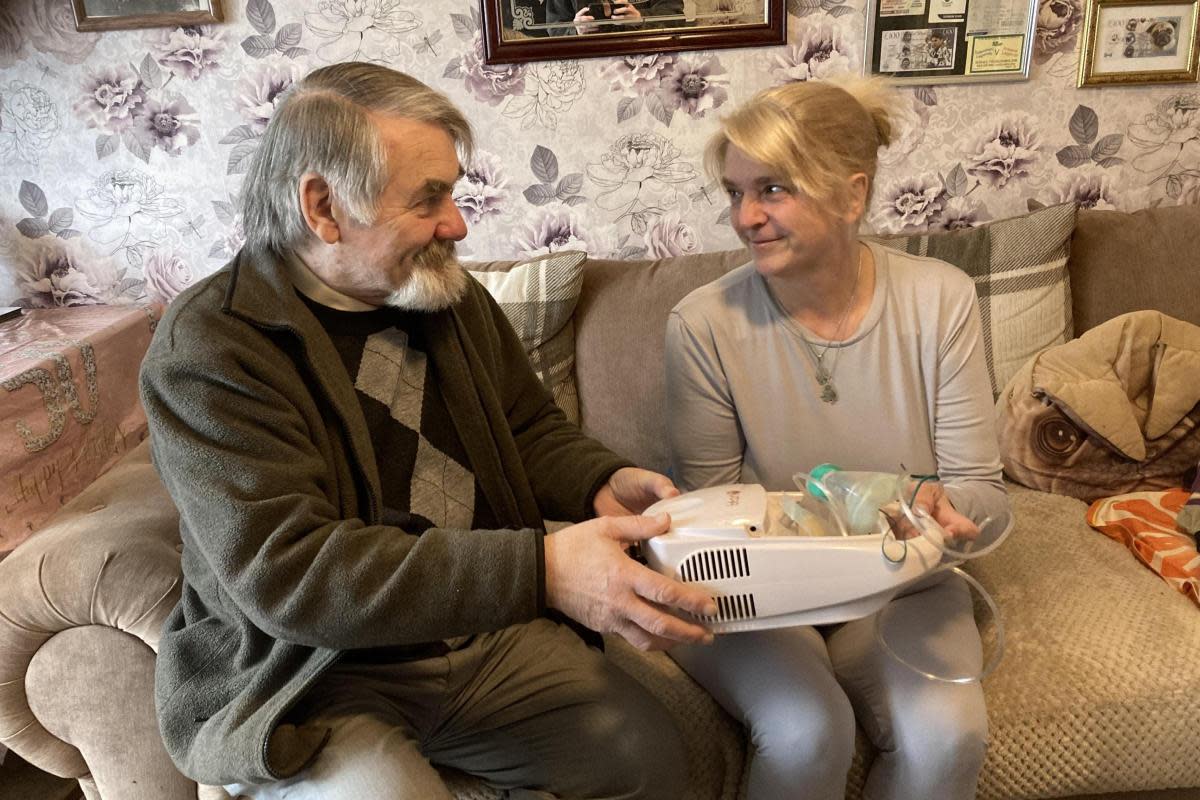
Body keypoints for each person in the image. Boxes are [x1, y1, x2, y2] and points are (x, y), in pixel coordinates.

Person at [140, 61, 718, 800]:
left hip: (476, 641)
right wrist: (541, 571)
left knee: (652, 757)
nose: (459, 223)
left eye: (453, 191)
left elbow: (527, 426)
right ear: (323, 206)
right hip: (312, 673)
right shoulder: (212, 349)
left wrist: (596, 481)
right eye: (430, 198)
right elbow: (292, 575)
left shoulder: (445, 293)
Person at [663, 78, 1010, 800]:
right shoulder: (703, 324)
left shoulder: (939, 299)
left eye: (773, 190)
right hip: (757, 596)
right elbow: (715, 515)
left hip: (902, 585)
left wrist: (950, 512)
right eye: (734, 193)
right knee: (806, 731)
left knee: (950, 737)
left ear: (852, 196)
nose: (746, 217)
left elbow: (987, 496)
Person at [546, 0, 684, 34]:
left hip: (648, 59)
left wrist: (641, 19)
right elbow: (554, 28)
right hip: (589, 68)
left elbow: (675, 16)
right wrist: (576, 30)